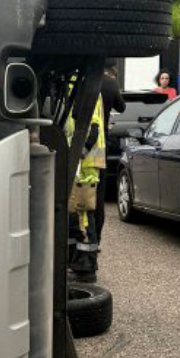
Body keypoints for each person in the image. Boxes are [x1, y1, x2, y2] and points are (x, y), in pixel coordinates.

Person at [65, 81, 106, 284]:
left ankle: (86, 267)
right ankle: (75, 262)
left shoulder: (82, 86)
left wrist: (79, 154)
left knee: (83, 213)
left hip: (85, 162)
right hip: (81, 160)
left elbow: (92, 129)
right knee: (75, 212)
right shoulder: (81, 84)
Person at [96, 65, 126, 242]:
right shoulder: (110, 83)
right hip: (100, 144)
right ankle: (95, 238)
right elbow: (121, 107)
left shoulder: (80, 81)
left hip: (75, 142)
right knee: (98, 193)